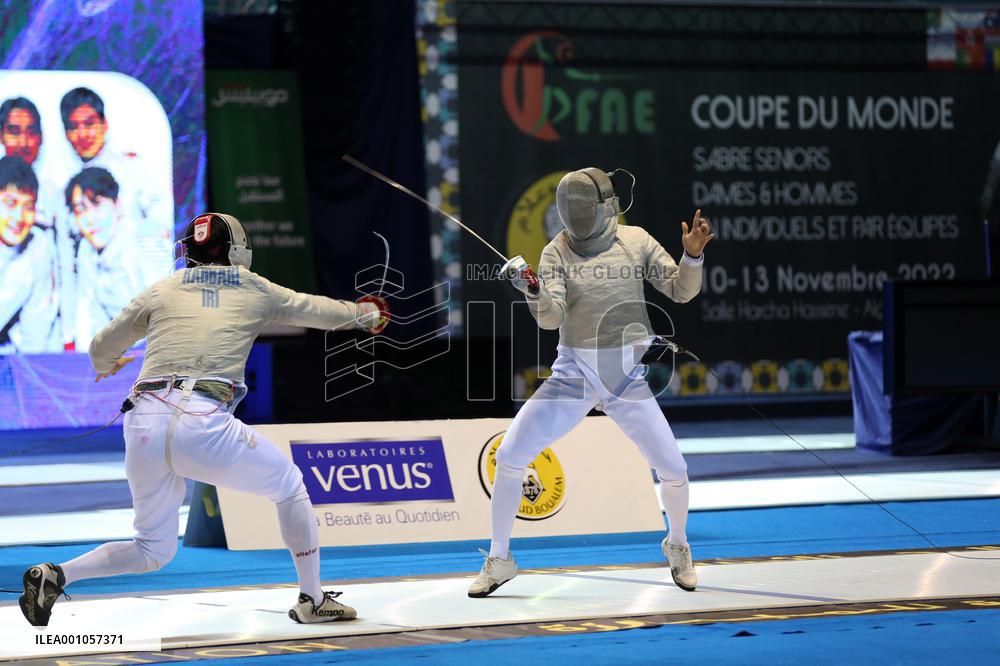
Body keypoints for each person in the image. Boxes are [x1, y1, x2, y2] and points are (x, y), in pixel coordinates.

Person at [18, 212, 390, 627]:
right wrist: (366, 314)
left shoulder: (162, 288)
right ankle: (313, 598)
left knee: (152, 550)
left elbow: (102, 345)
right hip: (202, 419)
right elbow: (313, 310)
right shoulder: (253, 287)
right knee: (289, 486)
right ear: (237, 250)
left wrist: (107, 361)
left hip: (141, 420)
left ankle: (57, 574)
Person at [468, 167, 713, 598]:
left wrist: (692, 256)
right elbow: (551, 319)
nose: (578, 215)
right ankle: (500, 558)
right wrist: (533, 291)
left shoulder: (635, 240)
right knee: (508, 457)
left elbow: (680, 290)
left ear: (606, 205)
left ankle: (677, 544)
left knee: (674, 469)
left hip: (626, 381)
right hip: (573, 377)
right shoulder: (555, 251)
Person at [63, 167, 146, 350]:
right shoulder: (86, 249)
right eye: (80, 210)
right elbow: (87, 308)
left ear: (117, 204)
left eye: (97, 204)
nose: (90, 219)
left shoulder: (141, 244)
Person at [0, 155, 59, 352]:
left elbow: (36, 327)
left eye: (28, 207)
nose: (18, 217)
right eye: (9, 203)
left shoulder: (38, 247)